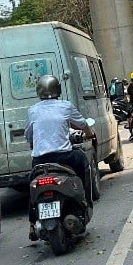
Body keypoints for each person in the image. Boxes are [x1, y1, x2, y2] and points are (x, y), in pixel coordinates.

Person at [25, 74, 94, 241]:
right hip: (64, 157)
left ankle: (32, 224)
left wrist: (33, 145)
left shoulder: (32, 110)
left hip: (40, 161)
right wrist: (89, 135)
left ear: (39, 91)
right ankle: (84, 200)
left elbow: (28, 134)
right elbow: (83, 124)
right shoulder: (65, 106)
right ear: (58, 89)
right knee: (83, 162)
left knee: (32, 185)